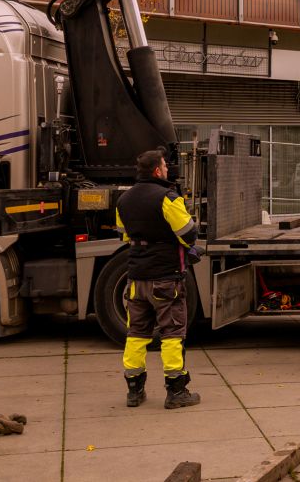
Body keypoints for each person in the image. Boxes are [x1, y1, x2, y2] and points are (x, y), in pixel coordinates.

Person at [115, 148, 201, 409]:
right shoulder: (167, 197)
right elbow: (188, 233)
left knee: (137, 333)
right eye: (164, 165)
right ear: (157, 171)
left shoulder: (124, 200)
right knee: (172, 333)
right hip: (165, 277)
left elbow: (124, 234)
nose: (167, 169)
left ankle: (134, 390)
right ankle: (176, 391)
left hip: (136, 278)